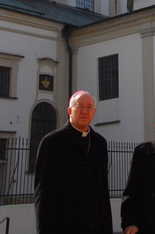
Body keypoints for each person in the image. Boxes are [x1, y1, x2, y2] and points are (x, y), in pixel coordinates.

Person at [34, 90, 113, 234]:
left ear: (94, 112)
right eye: (80, 106)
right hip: (65, 226)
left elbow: (102, 192)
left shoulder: (99, 143)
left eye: (89, 107)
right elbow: (44, 195)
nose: (85, 111)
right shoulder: (52, 142)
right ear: (70, 111)